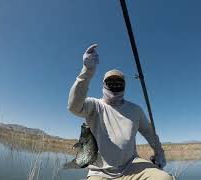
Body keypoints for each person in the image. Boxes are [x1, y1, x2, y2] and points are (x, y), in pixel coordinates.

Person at [67, 44, 173, 180]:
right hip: (99, 172)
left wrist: (160, 153)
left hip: (132, 165)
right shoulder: (94, 105)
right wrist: (87, 71)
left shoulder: (135, 110)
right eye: (110, 82)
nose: (114, 85)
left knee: (165, 178)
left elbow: (149, 133)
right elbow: (73, 106)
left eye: (119, 83)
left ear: (124, 86)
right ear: (103, 85)